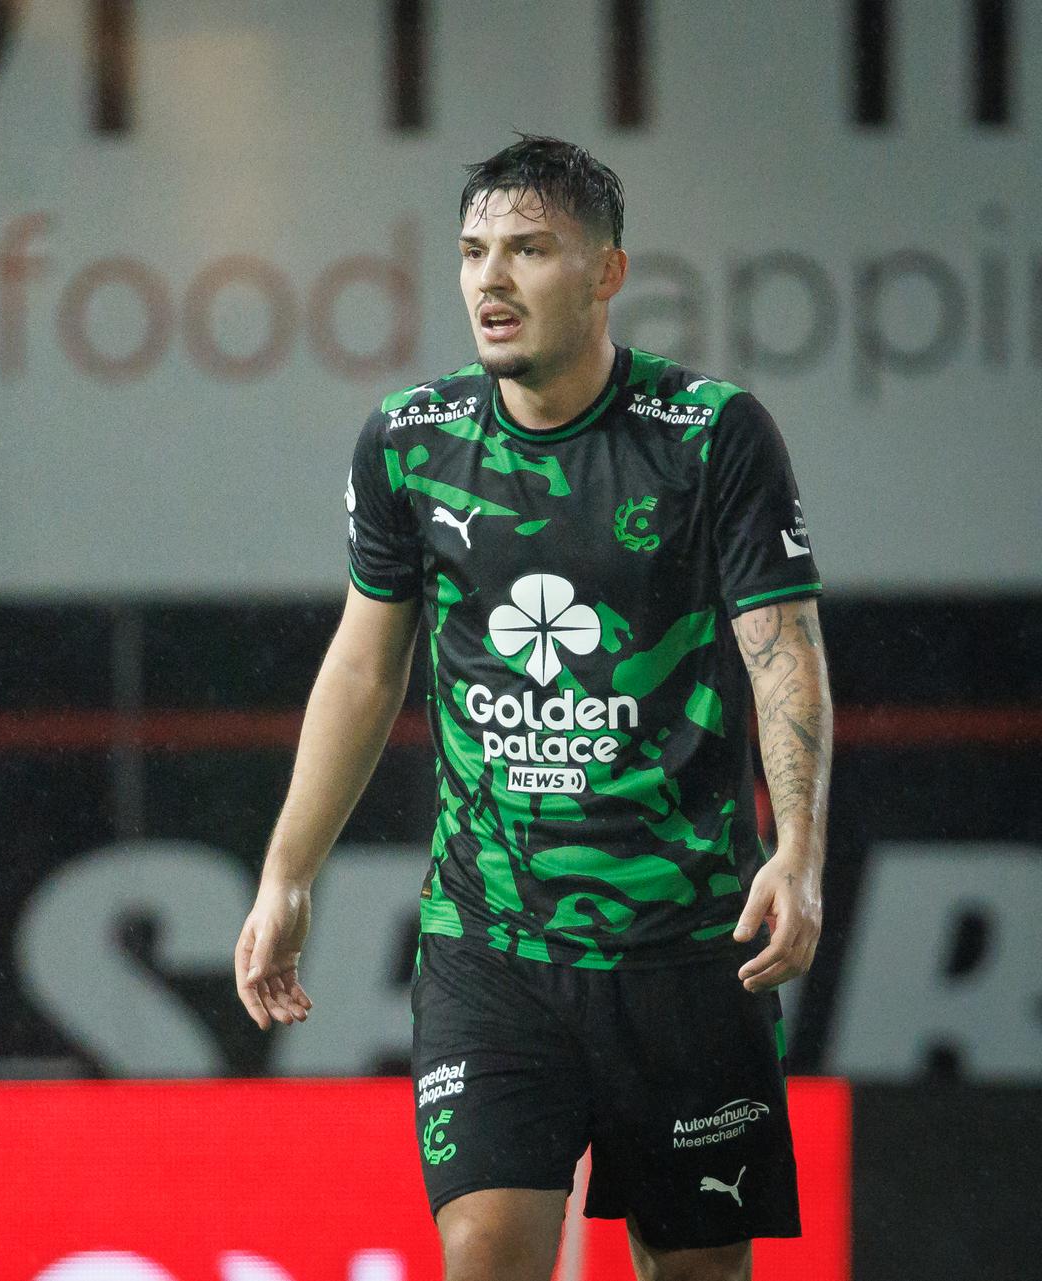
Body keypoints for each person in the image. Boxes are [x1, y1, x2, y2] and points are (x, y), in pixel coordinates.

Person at [233, 135, 830, 1281]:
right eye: (472, 252)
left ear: (605, 273)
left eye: (529, 250)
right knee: (489, 1248)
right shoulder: (410, 445)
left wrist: (797, 851)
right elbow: (364, 668)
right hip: (490, 943)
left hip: (690, 946)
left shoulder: (710, 436)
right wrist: (288, 870)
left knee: (697, 1268)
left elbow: (784, 650)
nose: (490, 280)